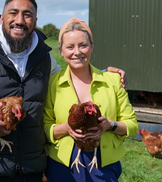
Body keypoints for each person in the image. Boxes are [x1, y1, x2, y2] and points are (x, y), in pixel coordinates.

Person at [0, 0, 126, 181]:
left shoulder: (44, 59)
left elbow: (69, 80)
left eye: (27, 15)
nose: (20, 20)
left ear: (35, 21)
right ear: (2, 18)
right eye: (14, 13)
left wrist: (102, 74)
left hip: (31, 170)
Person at [43, 17, 139, 182]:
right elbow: (44, 127)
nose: (77, 52)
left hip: (103, 163)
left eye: (83, 45)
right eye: (70, 47)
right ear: (61, 50)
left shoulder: (113, 81)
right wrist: (66, 128)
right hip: (63, 163)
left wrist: (110, 125)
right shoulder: (52, 83)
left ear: (92, 46)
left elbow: (132, 125)